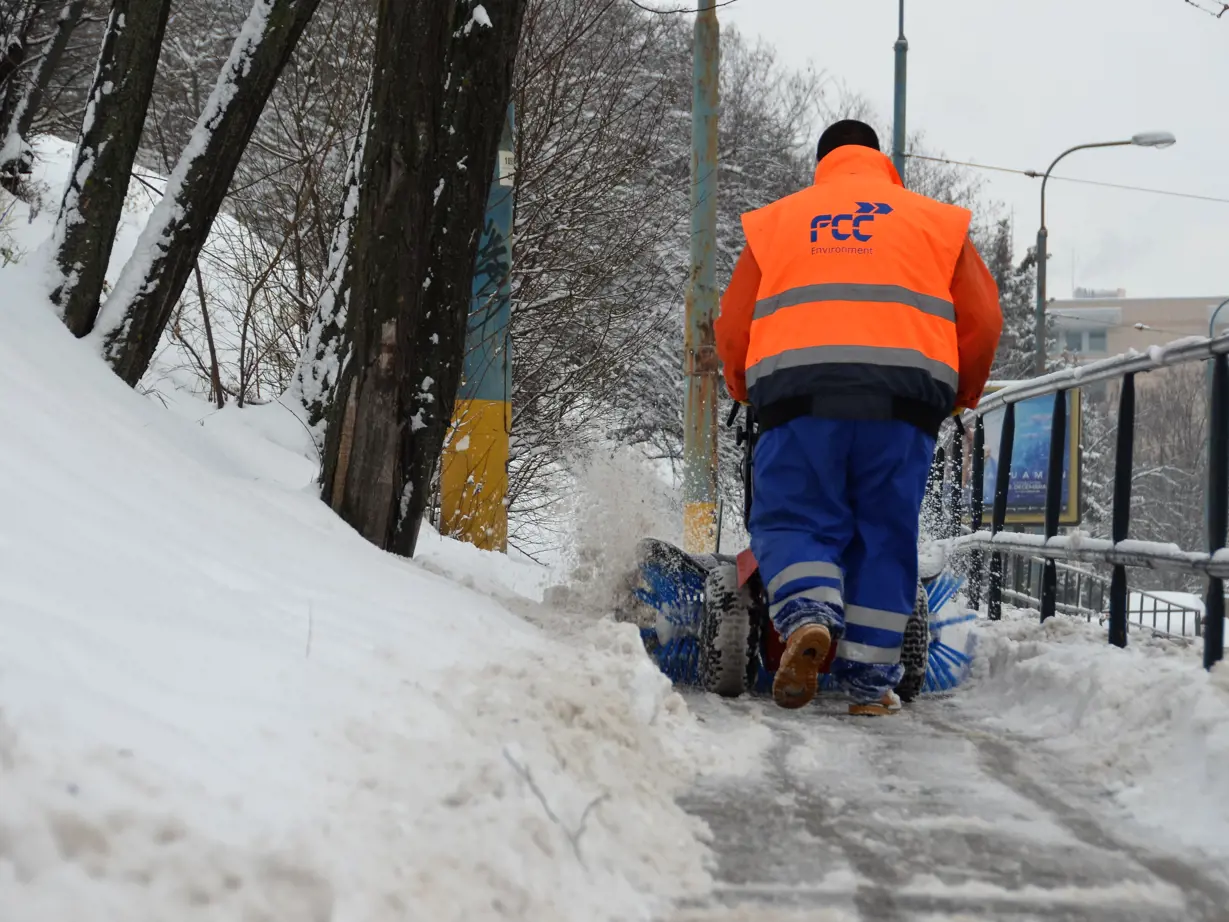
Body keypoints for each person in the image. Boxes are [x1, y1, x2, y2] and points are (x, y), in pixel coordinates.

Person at [715, 120, 1002, 716]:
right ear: (881, 161)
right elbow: (981, 320)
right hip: (905, 404)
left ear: (821, 164)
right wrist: (959, 395)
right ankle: (871, 686)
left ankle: (809, 615)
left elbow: (737, 322)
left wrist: (743, 387)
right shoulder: (935, 222)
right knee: (884, 531)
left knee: (794, 514)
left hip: (797, 398)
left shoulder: (779, 221)